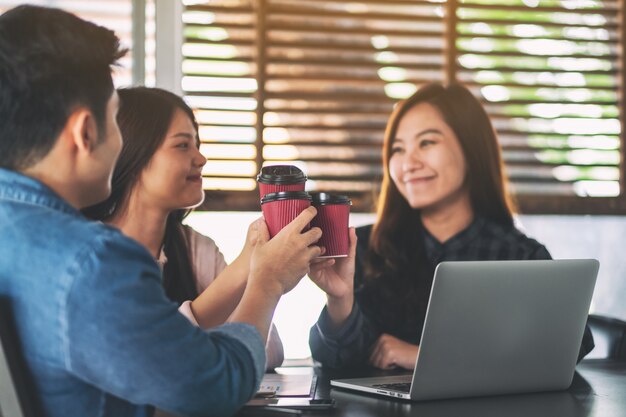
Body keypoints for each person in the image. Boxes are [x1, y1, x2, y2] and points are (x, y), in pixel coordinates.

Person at [0, 5, 321, 417]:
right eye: (115, 118)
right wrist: (268, 281)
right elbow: (214, 387)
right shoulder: (93, 260)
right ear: (85, 132)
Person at [308, 82, 594, 370]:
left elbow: (567, 348)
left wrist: (428, 358)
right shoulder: (367, 245)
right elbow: (338, 359)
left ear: (471, 149)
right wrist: (340, 300)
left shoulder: (520, 256)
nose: (408, 163)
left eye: (427, 142)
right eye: (398, 149)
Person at [82, 86, 284, 369]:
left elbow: (270, 352)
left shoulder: (195, 248)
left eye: (197, 144)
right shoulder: (89, 254)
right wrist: (246, 268)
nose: (201, 159)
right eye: (182, 145)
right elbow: (147, 356)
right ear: (133, 153)